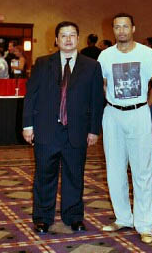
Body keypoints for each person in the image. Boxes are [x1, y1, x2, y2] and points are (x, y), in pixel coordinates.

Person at [22, 21, 104, 235]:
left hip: (76, 132)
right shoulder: (42, 63)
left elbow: (96, 101)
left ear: (78, 39)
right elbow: (31, 96)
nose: (68, 39)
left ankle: (74, 217)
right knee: (44, 177)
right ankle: (42, 218)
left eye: (72, 35)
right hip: (46, 130)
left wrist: (94, 130)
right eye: (63, 35)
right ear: (56, 40)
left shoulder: (92, 66)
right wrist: (27, 125)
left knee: (74, 176)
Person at [98, 13, 152, 244]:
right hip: (113, 115)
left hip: (139, 114)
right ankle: (123, 218)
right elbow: (103, 84)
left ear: (134, 28)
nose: (122, 31)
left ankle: (145, 224)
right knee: (114, 169)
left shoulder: (146, 54)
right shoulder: (105, 55)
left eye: (126, 26)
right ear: (113, 30)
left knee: (142, 171)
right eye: (117, 27)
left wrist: (145, 105)